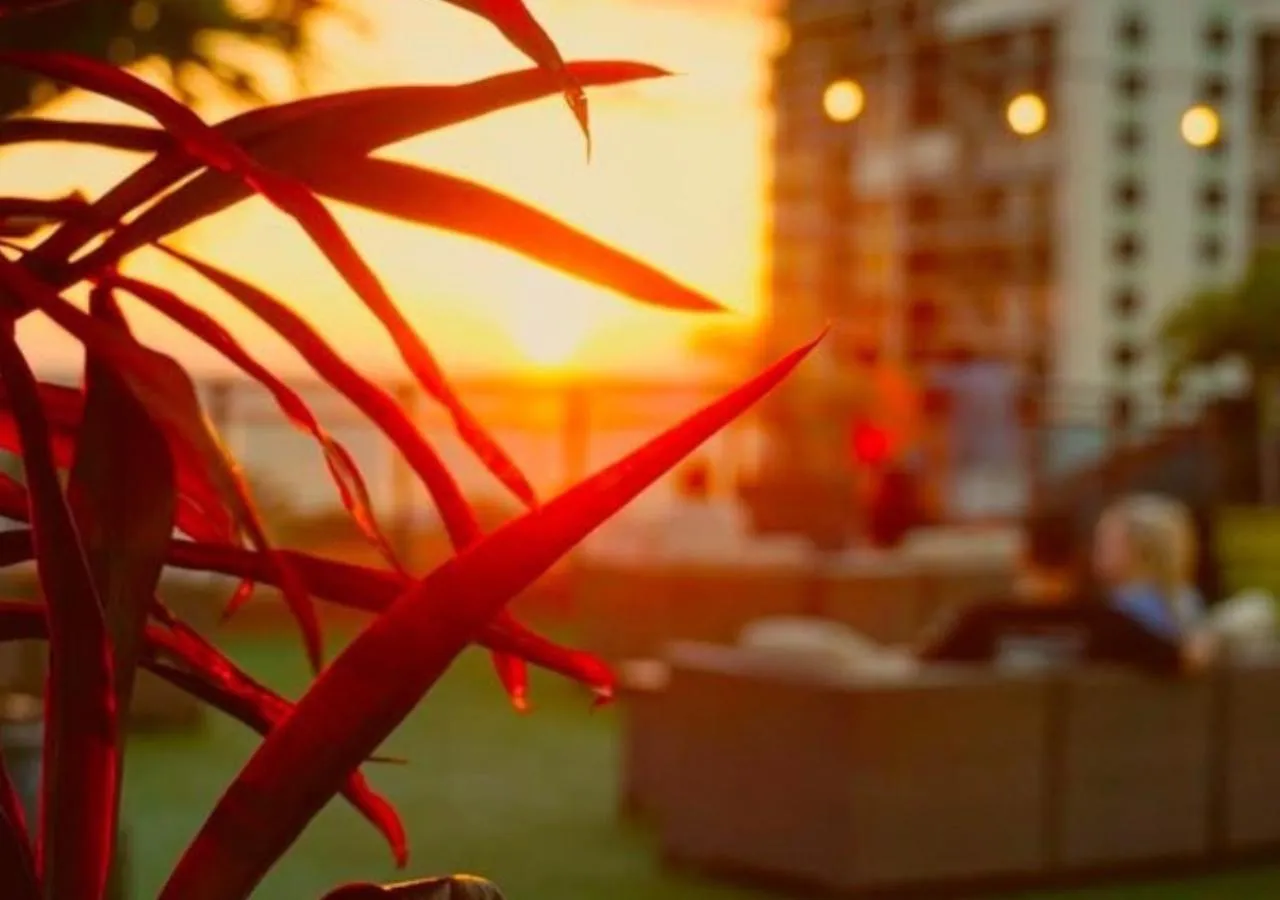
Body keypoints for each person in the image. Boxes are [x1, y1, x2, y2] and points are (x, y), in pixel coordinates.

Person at [916, 494, 1215, 676]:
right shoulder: (1114, 625)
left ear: (1021, 558)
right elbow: (1187, 658)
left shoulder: (980, 622)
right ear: (1077, 560)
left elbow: (918, 675)